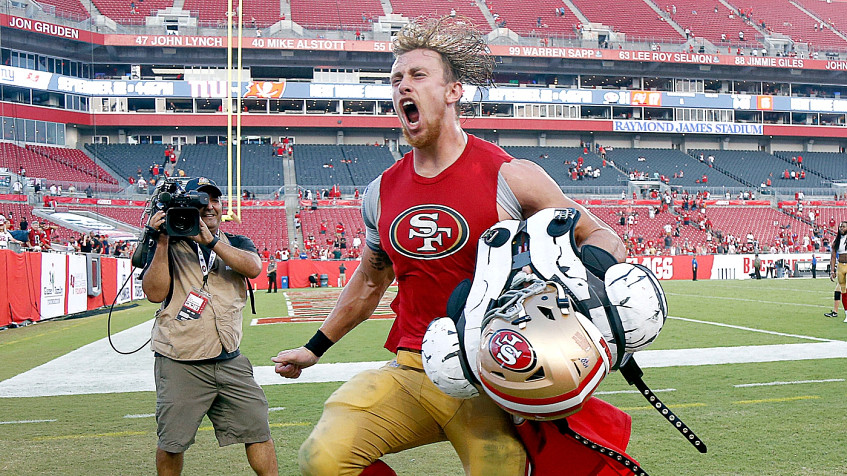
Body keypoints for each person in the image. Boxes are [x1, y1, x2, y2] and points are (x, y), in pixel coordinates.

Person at [272, 16, 628, 476]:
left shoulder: (511, 176)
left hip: (493, 375)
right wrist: (314, 347)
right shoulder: (380, 191)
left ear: (453, 91)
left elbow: (604, 238)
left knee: (502, 466)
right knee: (323, 458)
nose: (403, 86)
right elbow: (368, 281)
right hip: (413, 368)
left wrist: (574, 298)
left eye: (418, 75)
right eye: (396, 79)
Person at [141, 177, 278, 476]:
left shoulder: (236, 242)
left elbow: (254, 268)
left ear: (222, 205)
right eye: (201, 200)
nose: (209, 206)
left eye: (214, 200)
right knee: (172, 442)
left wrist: (212, 242)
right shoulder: (169, 243)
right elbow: (154, 293)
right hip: (180, 361)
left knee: (258, 430)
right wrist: (162, 238)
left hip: (230, 359)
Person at [826, 221, 847, 321]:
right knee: (840, 290)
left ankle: (836, 312)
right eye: (840, 227)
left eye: (843, 227)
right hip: (840, 266)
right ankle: (837, 312)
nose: (841, 228)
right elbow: (833, 257)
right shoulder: (837, 241)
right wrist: (832, 271)